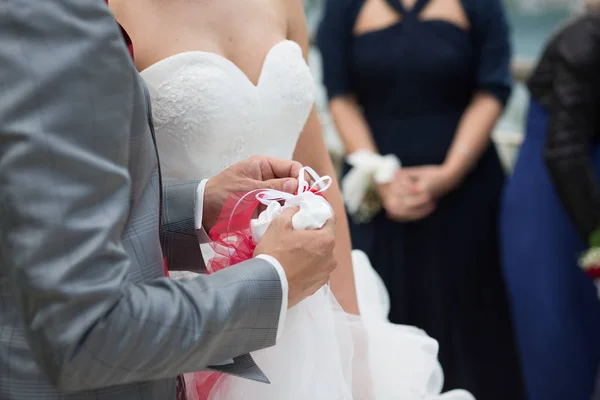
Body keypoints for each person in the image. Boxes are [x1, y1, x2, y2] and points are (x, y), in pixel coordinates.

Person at [109, 0, 475, 399]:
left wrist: (351, 331)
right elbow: (108, 205)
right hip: (191, 312)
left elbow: (319, 174)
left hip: (312, 303)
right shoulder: (107, 12)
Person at [0, 1, 340, 398]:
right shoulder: (53, 17)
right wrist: (275, 281)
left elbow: (38, 212)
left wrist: (198, 203)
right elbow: (85, 329)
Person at [316, 0, 524, 398]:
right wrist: (380, 176)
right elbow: (340, 96)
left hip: (466, 193)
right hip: (375, 198)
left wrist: (450, 173)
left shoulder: (482, 6)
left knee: (474, 325)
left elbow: (492, 88)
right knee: (380, 314)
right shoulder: (343, 7)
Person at [501, 8, 600, 400]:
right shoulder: (585, 40)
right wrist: (597, 230)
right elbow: (563, 151)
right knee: (559, 344)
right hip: (554, 206)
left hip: (583, 192)